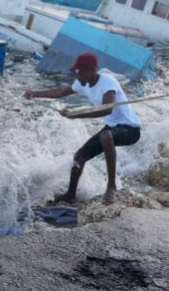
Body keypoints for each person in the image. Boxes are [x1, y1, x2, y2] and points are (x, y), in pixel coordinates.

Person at [24, 53, 141, 204]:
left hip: (130, 130)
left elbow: (106, 109)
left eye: (80, 72)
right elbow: (60, 92)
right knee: (79, 157)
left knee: (105, 135)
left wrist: (76, 114)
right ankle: (70, 195)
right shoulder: (82, 83)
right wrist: (34, 94)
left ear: (92, 70)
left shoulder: (108, 82)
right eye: (76, 72)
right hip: (112, 128)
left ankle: (111, 187)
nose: (77, 76)